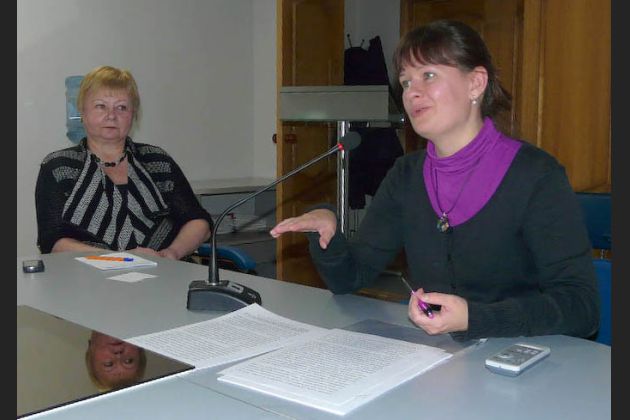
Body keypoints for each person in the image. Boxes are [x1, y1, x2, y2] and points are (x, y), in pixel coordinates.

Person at [270, 20, 600, 342]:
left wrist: (475, 318)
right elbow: (351, 277)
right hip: (438, 357)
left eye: (428, 75)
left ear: (476, 83)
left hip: (526, 357)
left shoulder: (535, 175)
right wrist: (327, 234)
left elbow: (582, 308)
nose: (412, 93)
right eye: (406, 82)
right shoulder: (406, 175)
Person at [35, 65, 212, 260]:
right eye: (101, 106)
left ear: (133, 115)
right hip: (88, 275)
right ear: (82, 112)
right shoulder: (59, 167)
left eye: (121, 107)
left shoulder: (157, 160)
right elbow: (53, 242)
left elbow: (198, 222)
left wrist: (172, 253)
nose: (111, 115)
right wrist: (121, 259)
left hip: (164, 270)